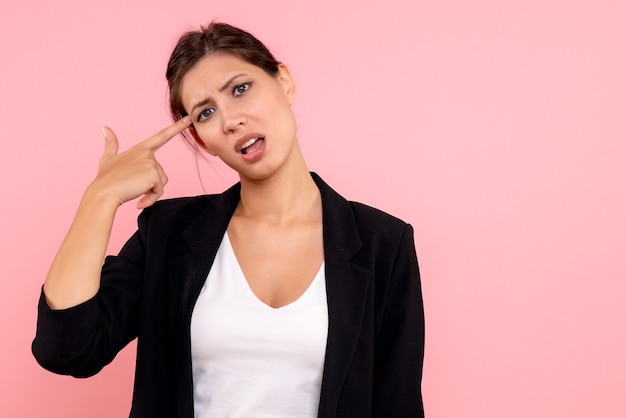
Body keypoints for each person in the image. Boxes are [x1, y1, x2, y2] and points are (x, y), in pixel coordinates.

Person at [32, 22, 425, 417]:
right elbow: (67, 348)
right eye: (205, 113)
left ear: (284, 82)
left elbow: (398, 404)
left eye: (240, 89)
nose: (231, 120)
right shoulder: (168, 233)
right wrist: (100, 198)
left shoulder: (382, 244)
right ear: (204, 140)